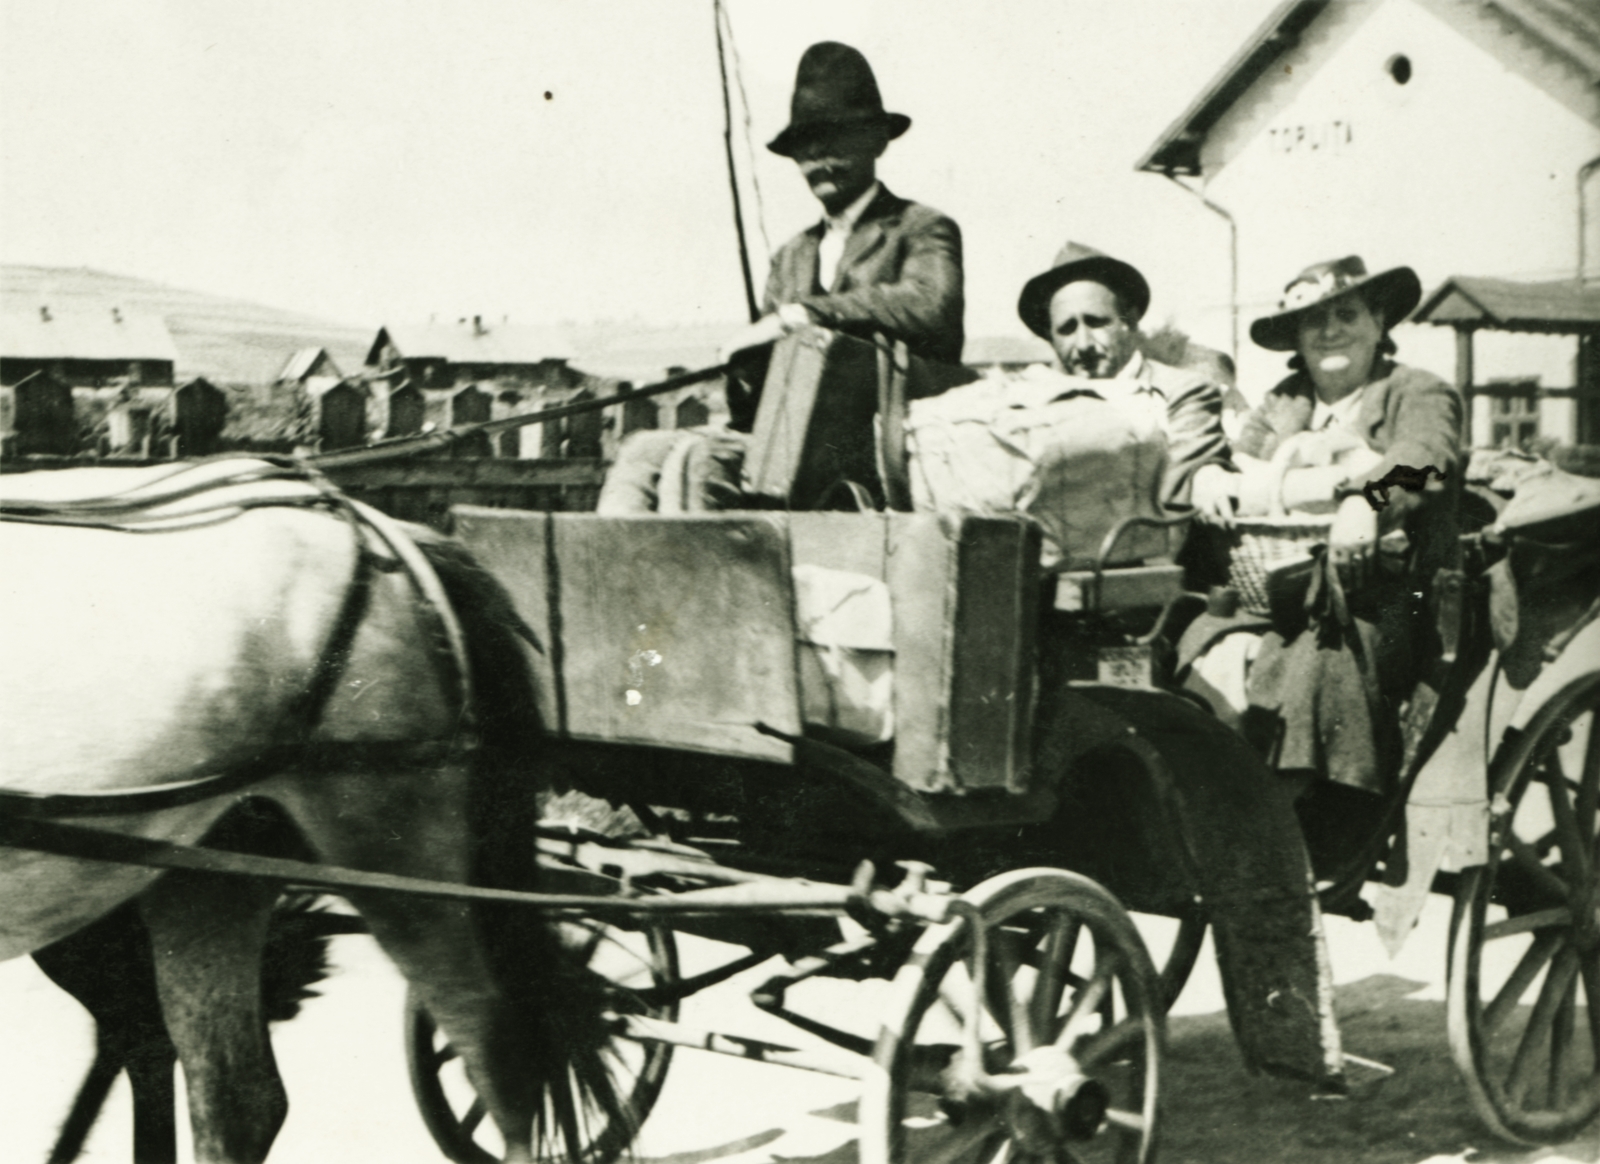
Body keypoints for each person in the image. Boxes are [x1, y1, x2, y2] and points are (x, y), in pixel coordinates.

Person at [597, 42, 964, 514]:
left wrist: (801, 316)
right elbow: (757, 404)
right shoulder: (791, 256)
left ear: (877, 140)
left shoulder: (920, 228)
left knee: (701, 462)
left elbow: (931, 304)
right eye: (806, 147)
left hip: (876, 450)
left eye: (837, 139)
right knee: (641, 452)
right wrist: (745, 368)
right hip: (786, 445)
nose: (819, 158)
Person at [1199, 255, 1463, 812]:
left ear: (1378, 323)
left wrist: (1366, 500)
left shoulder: (1415, 391)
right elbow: (1237, 464)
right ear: (1297, 337)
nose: (1330, 329)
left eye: (1346, 313)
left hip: (1390, 597)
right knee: (1191, 638)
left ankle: (1304, 817)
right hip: (1274, 587)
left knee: (1323, 651)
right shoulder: (1283, 402)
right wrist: (1209, 477)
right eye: (1313, 320)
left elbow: (1426, 458)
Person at [1015, 242, 1234, 515]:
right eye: (1067, 329)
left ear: (1128, 319)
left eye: (1096, 322)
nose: (1083, 344)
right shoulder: (1033, 402)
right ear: (1051, 337)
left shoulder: (1184, 392)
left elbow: (1173, 492)